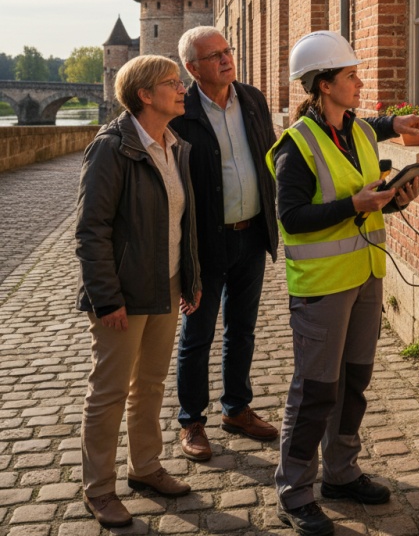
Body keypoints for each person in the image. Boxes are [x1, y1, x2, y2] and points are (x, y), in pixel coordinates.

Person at [267, 30, 419, 536]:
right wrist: (353, 205)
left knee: (354, 381)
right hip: (321, 283)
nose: (361, 83)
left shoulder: (358, 132)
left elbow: (368, 182)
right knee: (315, 389)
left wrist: (395, 197)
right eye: (351, 76)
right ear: (323, 85)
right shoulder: (297, 144)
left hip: (365, 275)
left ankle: (340, 474)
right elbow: (292, 217)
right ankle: (294, 492)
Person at [76, 55, 202, 528]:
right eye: (173, 83)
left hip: (166, 284)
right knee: (108, 392)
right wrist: (107, 298)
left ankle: (145, 467)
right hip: (123, 295)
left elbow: (180, 222)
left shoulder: (174, 144)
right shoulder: (111, 148)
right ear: (145, 95)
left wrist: (189, 278)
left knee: (149, 385)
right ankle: (100, 489)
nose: (182, 88)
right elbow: (92, 230)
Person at [172, 26, 280, 462]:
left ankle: (236, 408)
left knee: (242, 330)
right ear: (192, 69)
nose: (225, 59)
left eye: (227, 50)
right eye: (213, 55)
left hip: (251, 234)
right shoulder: (181, 111)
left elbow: (272, 154)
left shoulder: (252, 99)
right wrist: (183, 256)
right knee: (197, 336)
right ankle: (191, 420)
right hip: (205, 243)